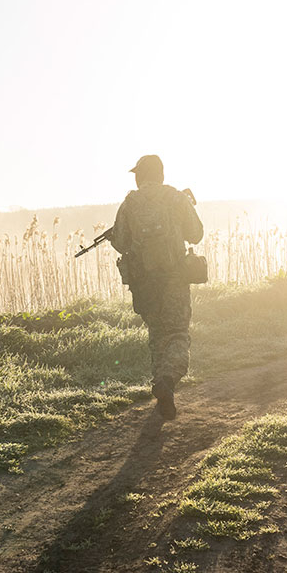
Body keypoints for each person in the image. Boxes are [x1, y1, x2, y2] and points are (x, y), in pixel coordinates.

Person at [109, 154, 204, 420]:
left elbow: (121, 242)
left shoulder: (129, 203)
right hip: (174, 278)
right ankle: (167, 381)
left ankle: (161, 387)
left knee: (157, 335)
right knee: (177, 333)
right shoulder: (176, 198)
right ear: (161, 174)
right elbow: (196, 234)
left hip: (144, 281)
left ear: (140, 176)